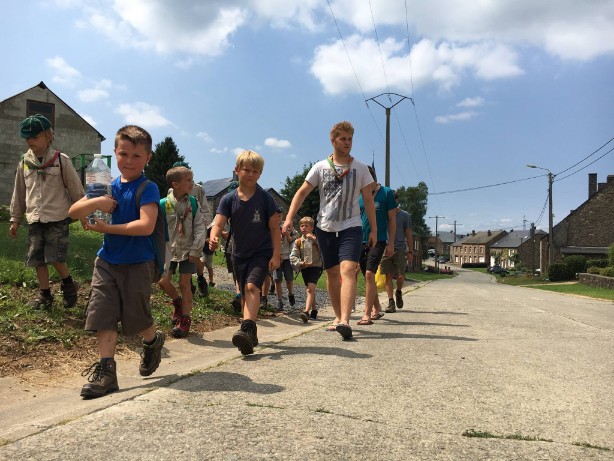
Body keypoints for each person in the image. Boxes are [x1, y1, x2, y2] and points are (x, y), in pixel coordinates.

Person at [68, 125, 165, 399]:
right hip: (107, 261)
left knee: (136, 315)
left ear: (148, 158)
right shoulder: (105, 186)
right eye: (123, 154)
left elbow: (146, 226)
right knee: (103, 311)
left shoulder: (148, 188)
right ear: (114, 153)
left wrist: (105, 229)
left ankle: (152, 340)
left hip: (138, 262)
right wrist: (96, 201)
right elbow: (73, 211)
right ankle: (107, 372)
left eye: (136, 156)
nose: (129, 161)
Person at [283, 121, 376, 340]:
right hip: (325, 227)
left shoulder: (361, 168)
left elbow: (369, 201)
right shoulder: (320, 167)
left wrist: (373, 229)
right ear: (333, 141)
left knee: (348, 269)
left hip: (351, 227)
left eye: (350, 139)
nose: (347, 143)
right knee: (332, 273)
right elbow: (302, 192)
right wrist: (288, 218)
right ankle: (337, 317)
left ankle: (345, 320)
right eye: (343, 139)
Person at [9, 114, 84, 310]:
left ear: (48, 136)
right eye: (27, 138)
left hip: (57, 218)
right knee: (37, 259)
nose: (30, 141)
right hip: (34, 218)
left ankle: (68, 284)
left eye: (34, 137)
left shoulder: (60, 160)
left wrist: (84, 214)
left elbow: (76, 190)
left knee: (55, 257)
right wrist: (15, 219)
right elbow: (19, 193)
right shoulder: (24, 163)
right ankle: (45, 295)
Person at [209, 150, 281, 355]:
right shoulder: (228, 199)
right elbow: (219, 222)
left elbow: (275, 229)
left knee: (251, 287)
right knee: (243, 293)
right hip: (238, 253)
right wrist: (213, 236)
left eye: (255, 171)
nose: (250, 174)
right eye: (246, 170)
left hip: (261, 252)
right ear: (237, 171)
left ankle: (246, 327)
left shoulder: (266, 199)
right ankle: (250, 334)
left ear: (260, 174)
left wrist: (276, 254)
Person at [157, 166, 207, 338]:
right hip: (168, 250)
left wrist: (196, 249)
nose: (192, 183)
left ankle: (184, 320)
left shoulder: (194, 203)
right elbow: (156, 229)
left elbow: (200, 227)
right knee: (163, 281)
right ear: (175, 184)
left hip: (188, 251)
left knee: (185, 284)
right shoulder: (163, 204)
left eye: (192, 180)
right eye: (188, 180)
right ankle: (178, 303)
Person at [357, 167, 397, 325]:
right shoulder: (359, 194)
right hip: (360, 240)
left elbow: (392, 220)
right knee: (366, 277)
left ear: (371, 176)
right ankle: (377, 307)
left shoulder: (387, 193)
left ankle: (367, 314)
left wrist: (391, 242)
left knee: (369, 274)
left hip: (379, 239)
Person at [170, 161, 213, 296]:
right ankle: (189, 285)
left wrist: (202, 228)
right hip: (178, 232)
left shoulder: (197, 189)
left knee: (196, 256)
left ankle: (200, 280)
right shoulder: (172, 190)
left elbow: (205, 210)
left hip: (195, 228)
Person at [381, 197, 414, 311]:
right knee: (388, 276)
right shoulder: (383, 214)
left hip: (400, 249)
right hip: (385, 249)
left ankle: (398, 291)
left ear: (397, 200)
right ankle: (391, 302)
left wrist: (410, 251)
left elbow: (409, 235)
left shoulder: (405, 216)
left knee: (400, 275)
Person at [289, 217, 323, 323]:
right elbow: (293, 256)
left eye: (306, 226)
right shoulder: (298, 241)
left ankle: (306, 312)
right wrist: (301, 263)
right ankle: (314, 310)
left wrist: (313, 239)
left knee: (310, 289)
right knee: (310, 289)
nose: (304, 228)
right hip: (305, 268)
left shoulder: (317, 239)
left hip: (316, 267)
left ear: (312, 228)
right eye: (302, 226)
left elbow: (324, 249)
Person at [273, 212, 297, 311]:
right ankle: (279, 300)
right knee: (277, 280)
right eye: (276, 216)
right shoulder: (271, 226)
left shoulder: (287, 226)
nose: (278, 218)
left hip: (287, 257)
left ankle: (290, 293)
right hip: (276, 257)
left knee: (289, 278)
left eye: (280, 216)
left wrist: (288, 236)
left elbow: (296, 237)